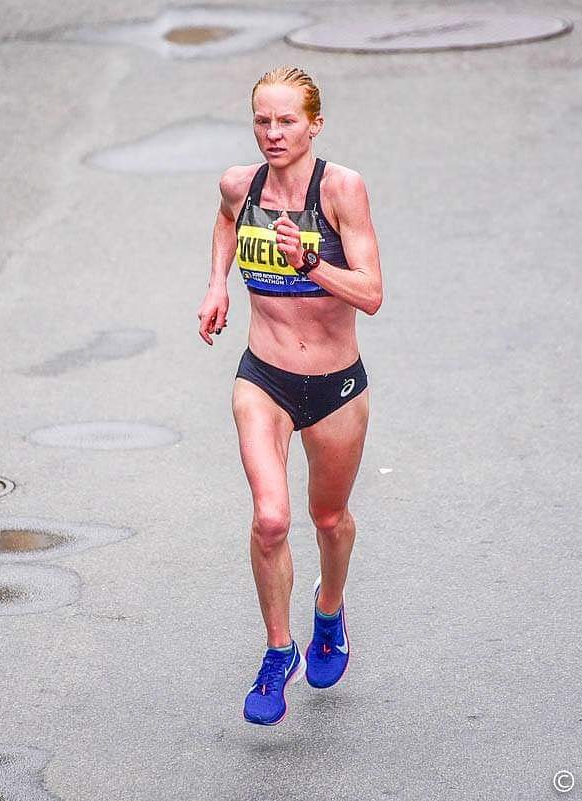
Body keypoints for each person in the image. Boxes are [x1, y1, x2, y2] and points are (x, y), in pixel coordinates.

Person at [196, 66, 383, 726]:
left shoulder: (340, 189)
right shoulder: (238, 185)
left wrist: (310, 263)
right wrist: (216, 284)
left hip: (335, 386)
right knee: (271, 519)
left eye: (286, 121)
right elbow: (226, 220)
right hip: (264, 378)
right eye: (262, 121)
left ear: (314, 125)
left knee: (328, 519)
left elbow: (372, 293)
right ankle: (280, 651)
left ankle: (329, 611)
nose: (272, 133)